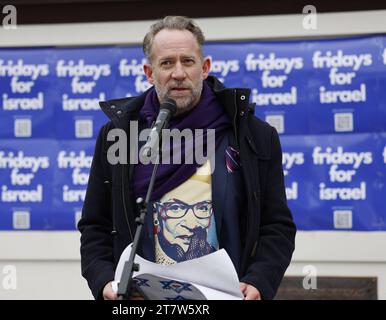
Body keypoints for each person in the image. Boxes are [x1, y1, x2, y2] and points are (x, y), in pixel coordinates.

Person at [78, 15, 296, 300]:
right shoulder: (119, 135)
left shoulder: (251, 135)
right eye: (166, 63)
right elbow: (95, 225)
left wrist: (259, 281)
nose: (178, 73)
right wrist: (105, 281)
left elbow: (276, 225)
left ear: (204, 68)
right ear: (149, 72)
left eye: (188, 61)